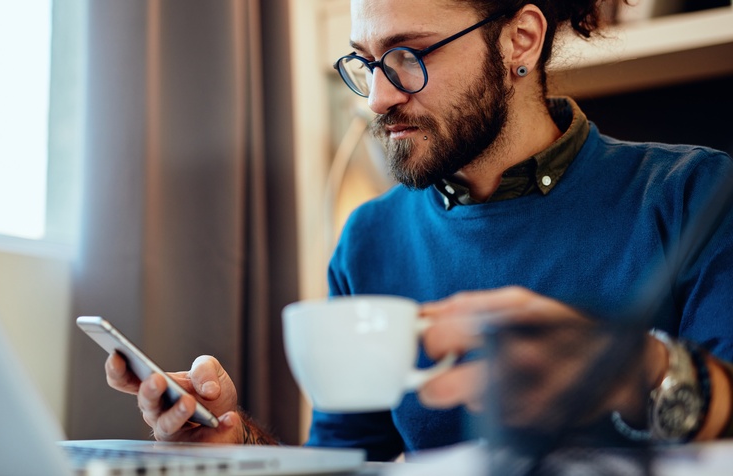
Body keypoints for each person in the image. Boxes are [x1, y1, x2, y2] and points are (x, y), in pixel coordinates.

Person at [106, 0, 733, 461]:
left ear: (520, 39)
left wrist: (636, 368)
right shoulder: (369, 240)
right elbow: (349, 459)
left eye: (406, 55)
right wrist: (234, 443)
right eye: (366, 61)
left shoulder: (690, 196)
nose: (377, 96)